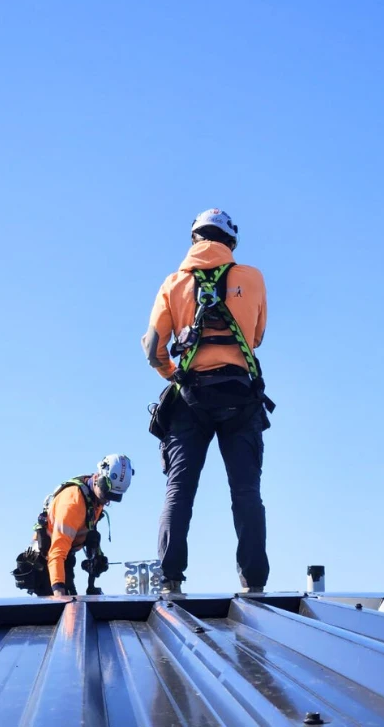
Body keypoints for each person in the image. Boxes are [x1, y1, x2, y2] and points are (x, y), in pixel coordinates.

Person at [142, 209, 273, 595]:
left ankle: (170, 580)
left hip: (190, 399)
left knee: (179, 488)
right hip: (239, 397)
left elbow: (152, 348)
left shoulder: (173, 283)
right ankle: (254, 582)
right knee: (246, 491)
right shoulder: (252, 278)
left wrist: (173, 375)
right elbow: (259, 336)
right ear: (229, 242)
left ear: (195, 238)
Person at [13, 454, 134, 597]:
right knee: (61, 609)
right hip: (45, 562)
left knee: (73, 604)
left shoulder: (94, 498)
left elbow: (88, 527)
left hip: (63, 558)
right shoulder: (73, 502)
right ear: (98, 478)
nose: (107, 501)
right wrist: (59, 594)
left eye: (113, 497)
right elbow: (56, 552)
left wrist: (97, 556)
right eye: (106, 494)